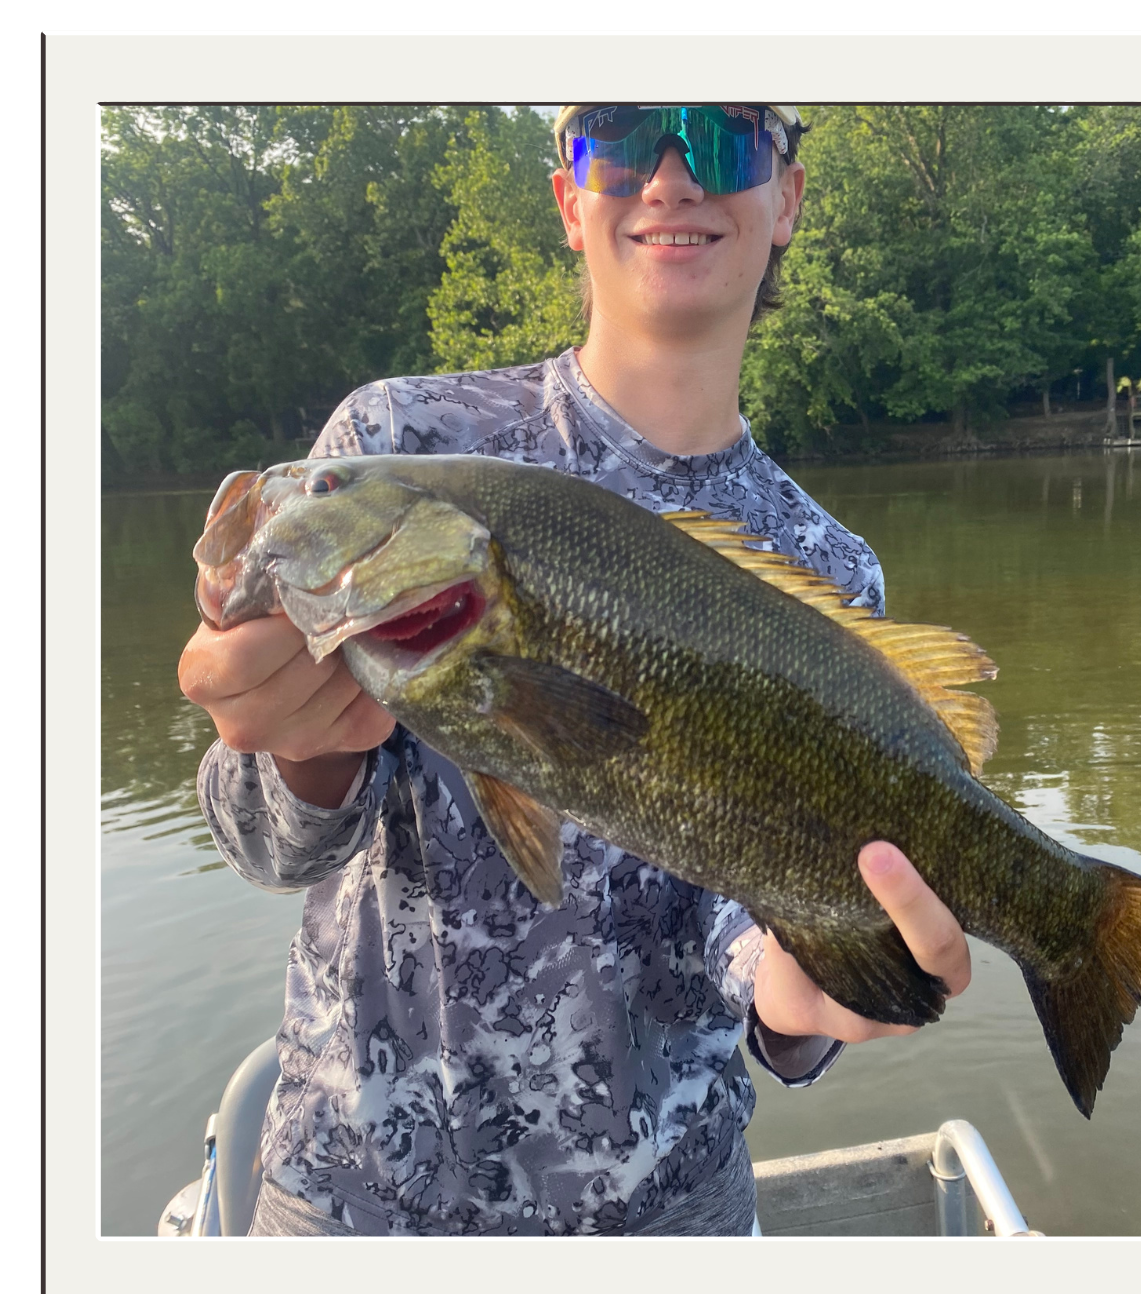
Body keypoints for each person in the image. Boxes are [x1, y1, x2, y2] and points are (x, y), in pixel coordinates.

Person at [178, 104, 973, 1236]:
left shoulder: (827, 573)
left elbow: (758, 938)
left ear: (787, 197)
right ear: (568, 198)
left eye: (719, 137)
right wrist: (296, 747)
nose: (666, 177)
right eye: (617, 132)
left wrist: (803, 999)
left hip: (667, 1214)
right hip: (357, 1205)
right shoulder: (392, 449)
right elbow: (268, 846)